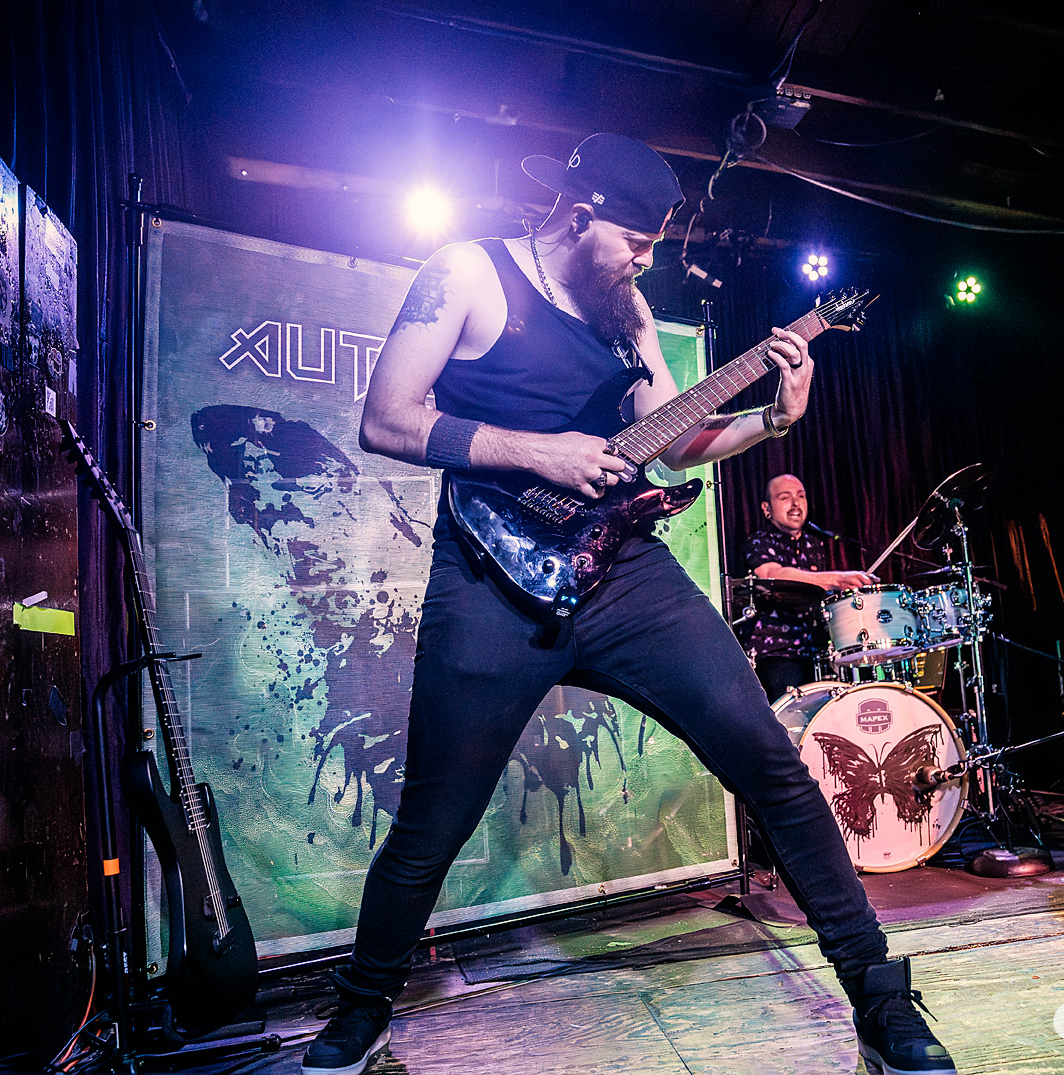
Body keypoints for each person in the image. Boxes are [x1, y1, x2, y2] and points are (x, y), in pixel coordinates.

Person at [303, 133, 956, 1075]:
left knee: (769, 760)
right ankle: (361, 1010)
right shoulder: (469, 272)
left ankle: (879, 998)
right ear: (579, 217)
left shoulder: (629, 309)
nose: (646, 260)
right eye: (637, 241)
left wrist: (774, 417)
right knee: (431, 821)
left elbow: (674, 441)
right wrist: (539, 450)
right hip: (488, 578)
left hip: (621, 573)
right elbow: (386, 418)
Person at [742, 473, 876, 700]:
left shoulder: (813, 544)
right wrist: (836, 579)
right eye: (785, 497)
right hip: (776, 653)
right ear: (766, 509)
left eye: (801, 496)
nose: (795, 503)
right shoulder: (760, 541)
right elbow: (773, 575)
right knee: (784, 689)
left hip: (816, 652)